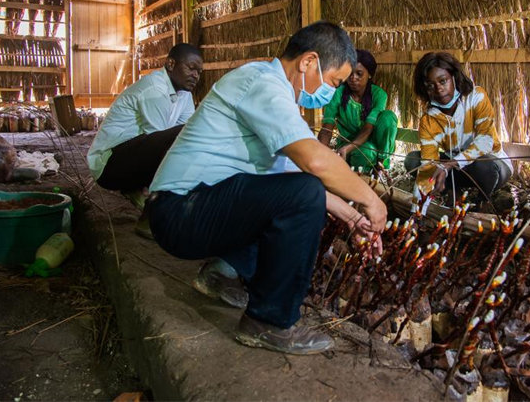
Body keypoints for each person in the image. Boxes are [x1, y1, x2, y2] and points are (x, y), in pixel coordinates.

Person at [147, 21, 387, 355]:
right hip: (179, 212)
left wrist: (352, 217)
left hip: (188, 208)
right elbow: (313, 164)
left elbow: (289, 174)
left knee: (305, 194)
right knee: (306, 193)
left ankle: (221, 273)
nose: (332, 91)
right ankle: (269, 323)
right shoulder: (262, 84)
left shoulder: (273, 94)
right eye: (334, 81)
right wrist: (373, 202)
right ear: (307, 62)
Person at [87, 43, 202, 209]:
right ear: (171, 64)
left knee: (188, 135)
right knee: (182, 135)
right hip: (108, 166)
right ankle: (153, 210)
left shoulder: (185, 95)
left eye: (199, 72)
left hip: (131, 158)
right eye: (191, 68)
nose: (195, 75)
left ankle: (136, 189)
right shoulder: (154, 89)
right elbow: (160, 146)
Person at [405, 52, 511, 208]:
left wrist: (449, 165)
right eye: (430, 85)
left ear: (454, 77)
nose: (438, 89)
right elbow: (427, 166)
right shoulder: (428, 120)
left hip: (492, 165)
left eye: (443, 81)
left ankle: (481, 201)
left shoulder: (476, 97)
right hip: (453, 168)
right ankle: (452, 191)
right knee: (413, 161)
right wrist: (417, 212)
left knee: (484, 166)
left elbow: (485, 142)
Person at [318, 49, 398, 171]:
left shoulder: (378, 95)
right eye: (350, 73)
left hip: (373, 143)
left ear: (369, 74)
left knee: (388, 117)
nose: (353, 78)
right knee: (364, 152)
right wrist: (320, 155)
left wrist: (348, 148)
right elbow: (326, 128)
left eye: (359, 74)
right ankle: (360, 173)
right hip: (347, 145)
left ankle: (381, 163)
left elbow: (368, 128)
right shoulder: (337, 94)